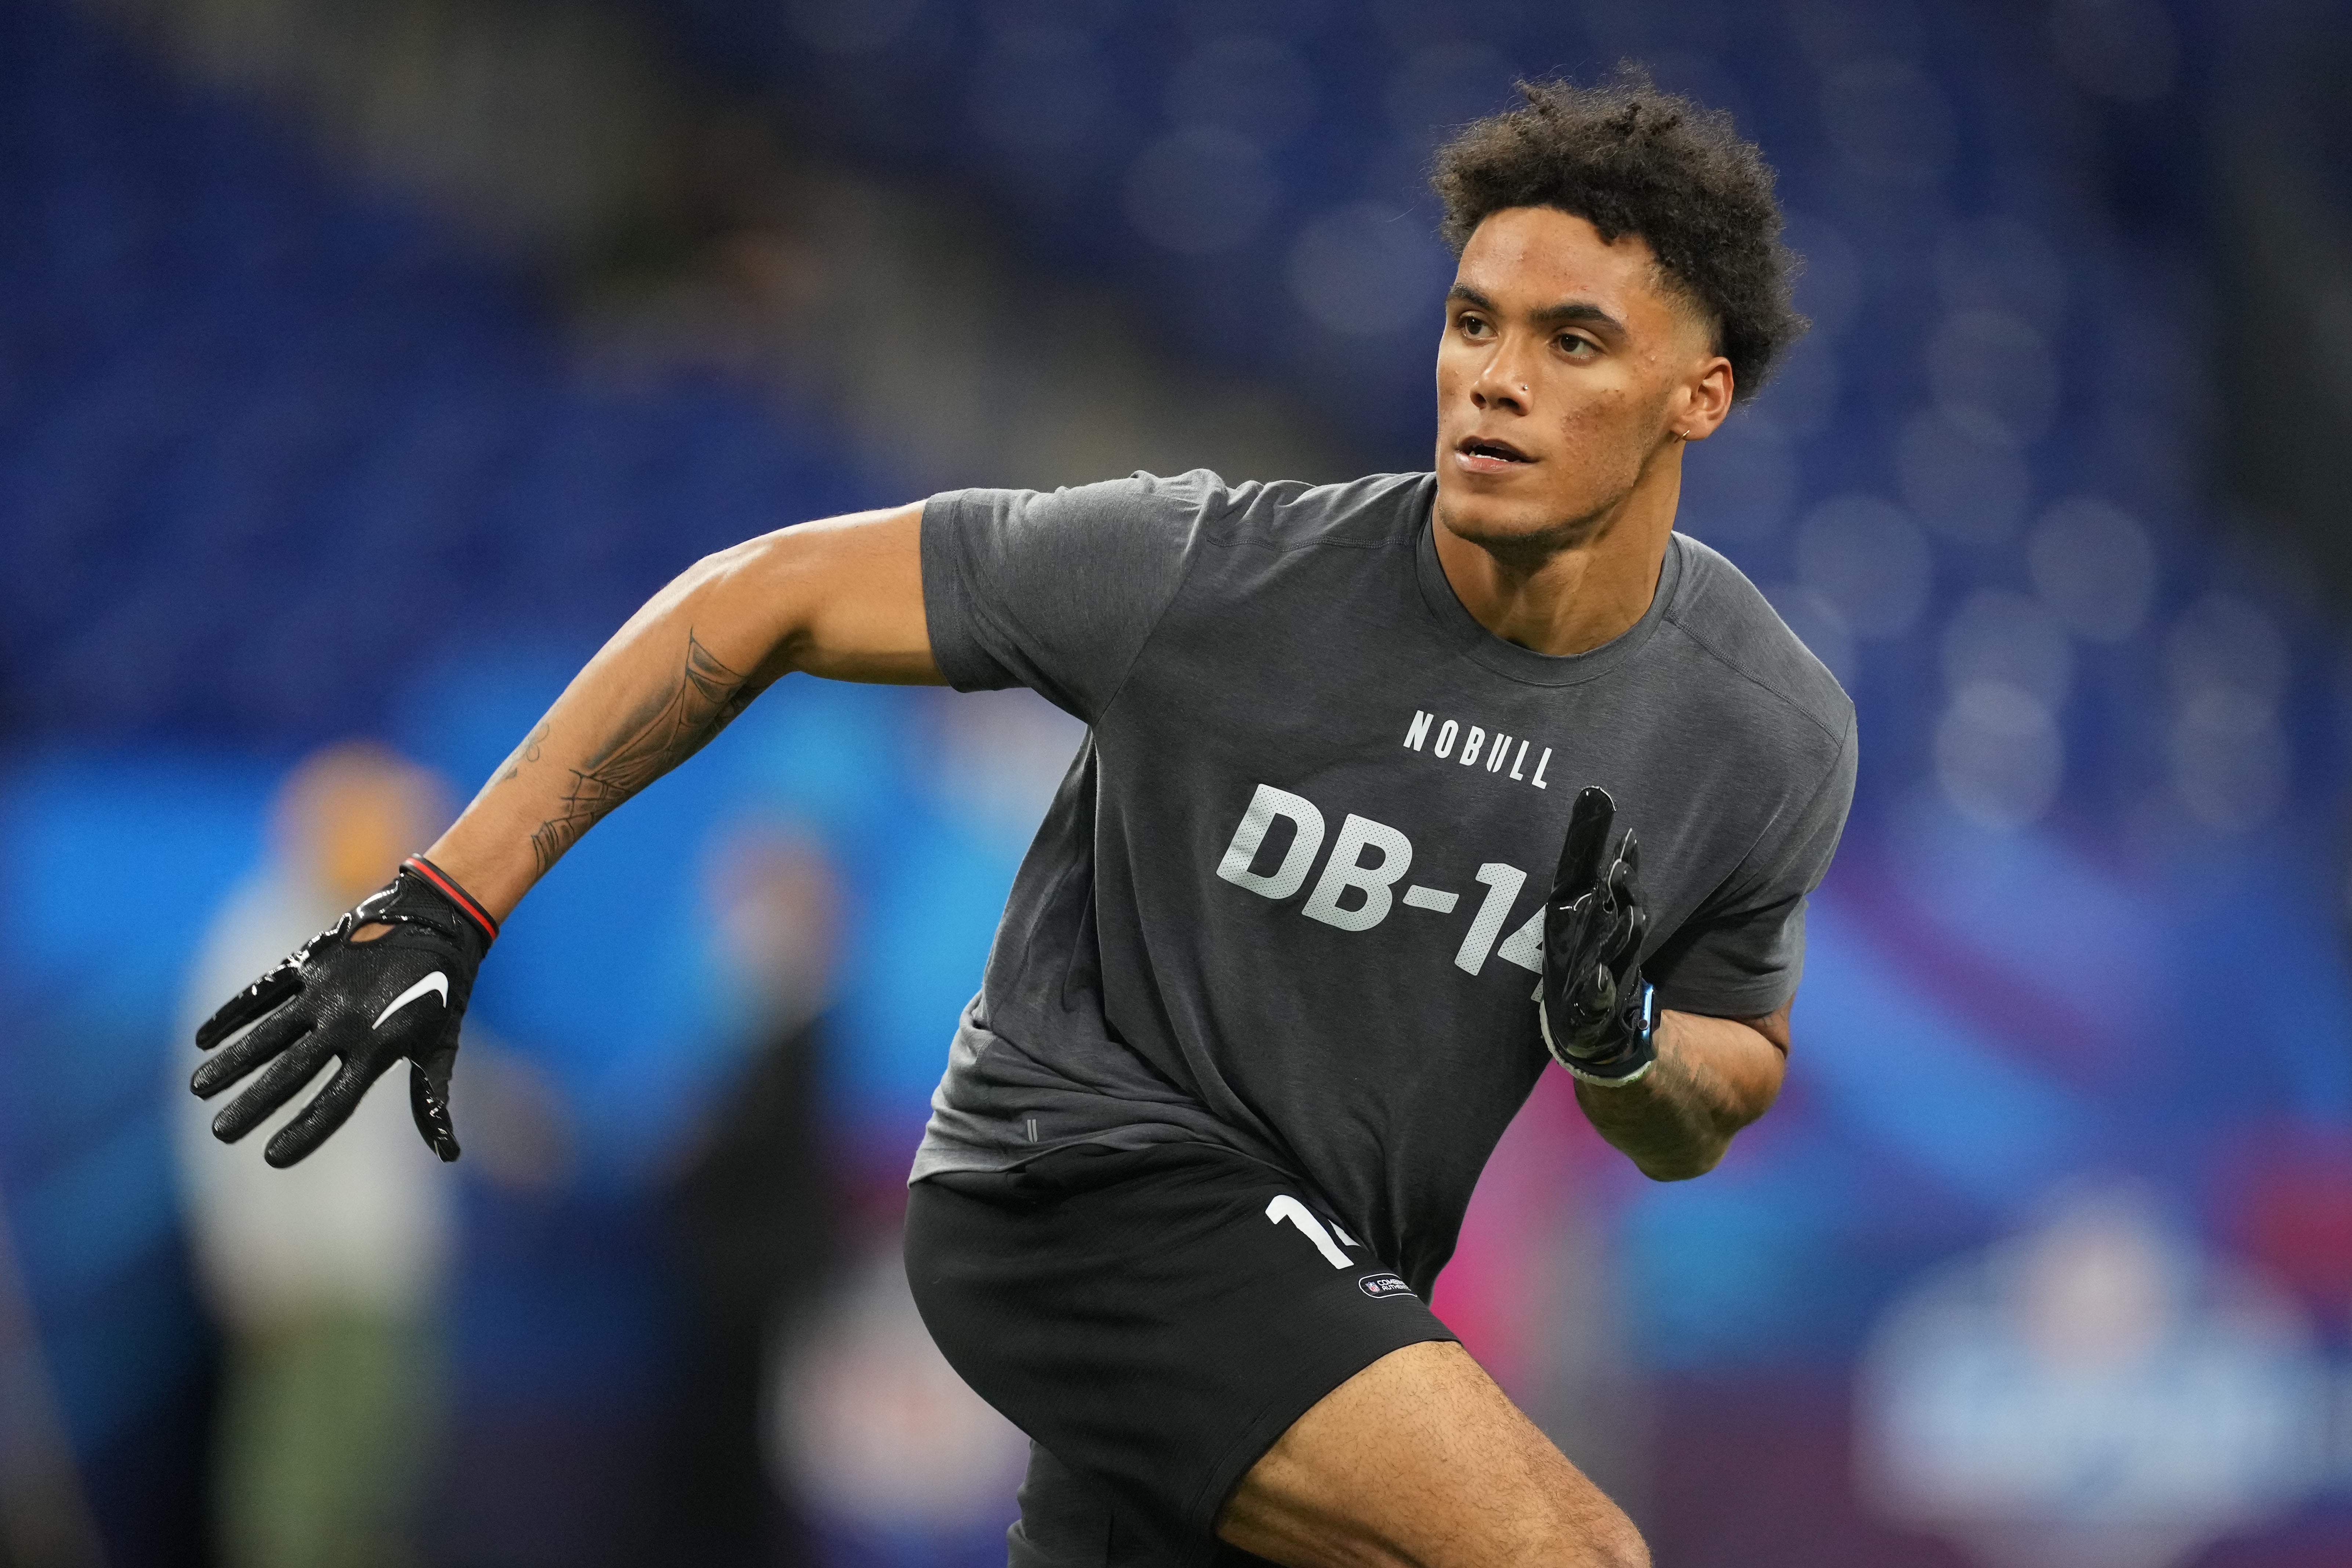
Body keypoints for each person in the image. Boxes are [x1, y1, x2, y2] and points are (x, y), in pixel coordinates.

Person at [189, 72, 1854, 1568]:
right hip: (1076, 1186)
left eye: (1568, 342)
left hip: (1331, 1274)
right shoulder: (1213, 573)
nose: (1491, 380)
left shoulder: (1756, 727)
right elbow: (759, 592)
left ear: (1694, 395)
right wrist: (445, 902)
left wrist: (1620, 1048)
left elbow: (1715, 1083)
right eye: (1471, 321)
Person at [174, 743, 456, 1568]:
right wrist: (249, 1251)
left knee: (372, 1481)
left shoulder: (380, 946)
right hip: (306, 1272)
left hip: (381, 1267)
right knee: (293, 1492)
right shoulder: (264, 947)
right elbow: (220, 1106)